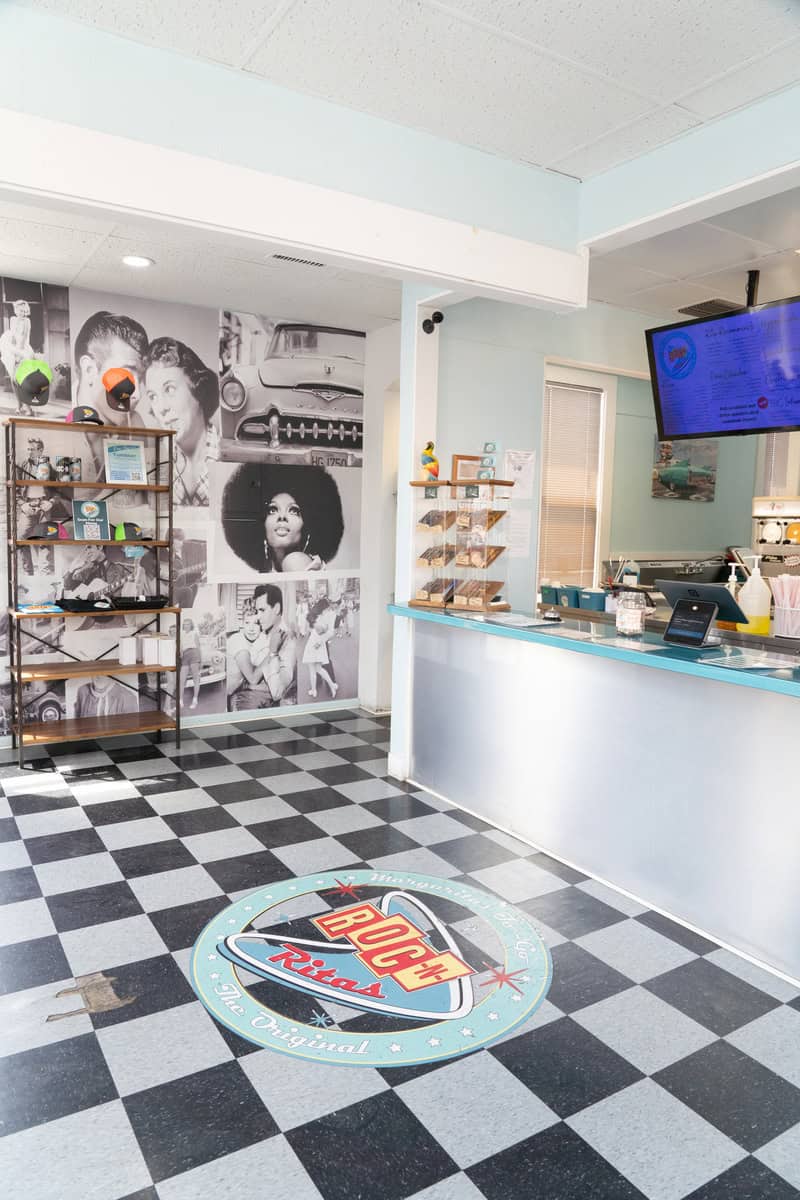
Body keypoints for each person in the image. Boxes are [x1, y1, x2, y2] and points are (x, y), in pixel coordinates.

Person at [221, 464, 344, 574]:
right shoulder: (266, 572)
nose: (282, 516)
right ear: (261, 525)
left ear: (308, 524)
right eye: (272, 510)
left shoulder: (299, 564)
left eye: (293, 510)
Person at [144, 337, 219, 506]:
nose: (161, 408)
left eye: (169, 389)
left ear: (198, 390)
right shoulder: (152, 461)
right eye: (153, 396)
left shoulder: (227, 456)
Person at [0, 300, 34, 408]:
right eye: (20, 311)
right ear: (16, 310)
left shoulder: (27, 321)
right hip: (13, 349)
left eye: (24, 311)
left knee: (22, 380)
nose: (22, 314)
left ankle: (28, 407)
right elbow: (13, 336)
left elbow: (24, 338)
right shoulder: (12, 319)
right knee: (13, 380)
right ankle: (19, 404)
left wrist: (19, 355)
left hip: (23, 350)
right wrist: (13, 353)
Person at [303, 604, 338, 699]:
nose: (328, 609)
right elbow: (325, 631)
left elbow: (308, 631)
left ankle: (314, 690)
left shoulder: (312, 618)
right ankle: (332, 685)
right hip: (319, 645)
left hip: (312, 645)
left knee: (312, 670)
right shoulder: (322, 618)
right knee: (319, 669)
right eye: (326, 608)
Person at [180, 617, 202, 710]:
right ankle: (180, 700)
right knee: (182, 679)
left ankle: (195, 699)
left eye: (188, 624)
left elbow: (198, 647)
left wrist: (201, 659)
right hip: (185, 655)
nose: (186, 626)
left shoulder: (194, 633)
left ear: (191, 625)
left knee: (195, 678)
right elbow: (181, 648)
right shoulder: (181, 634)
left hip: (194, 653)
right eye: (184, 624)